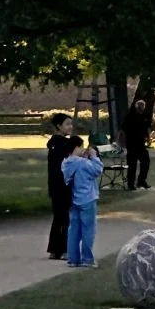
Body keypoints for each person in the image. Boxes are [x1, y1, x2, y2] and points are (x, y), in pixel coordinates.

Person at [61, 136, 104, 267]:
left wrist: (85, 158)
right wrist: (94, 156)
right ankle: (87, 259)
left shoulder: (66, 163)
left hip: (73, 200)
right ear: (76, 147)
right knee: (88, 230)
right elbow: (97, 170)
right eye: (81, 147)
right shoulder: (83, 163)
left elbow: (79, 171)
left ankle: (73, 258)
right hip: (87, 199)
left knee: (73, 230)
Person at [46, 113, 78, 259]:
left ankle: (54, 249)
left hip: (55, 185)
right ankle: (64, 249)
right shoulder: (62, 144)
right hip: (63, 184)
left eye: (71, 124)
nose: (70, 127)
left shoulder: (54, 143)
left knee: (58, 217)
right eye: (67, 124)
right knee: (65, 218)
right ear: (59, 126)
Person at [120, 98, 153, 190]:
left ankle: (141, 181)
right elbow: (123, 130)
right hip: (131, 143)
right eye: (139, 108)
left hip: (141, 144)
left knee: (146, 162)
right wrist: (122, 142)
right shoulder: (130, 116)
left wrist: (149, 138)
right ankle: (131, 184)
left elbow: (147, 128)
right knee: (132, 164)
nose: (141, 109)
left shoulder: (145, 116)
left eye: (142, 108)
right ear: (136, 107)